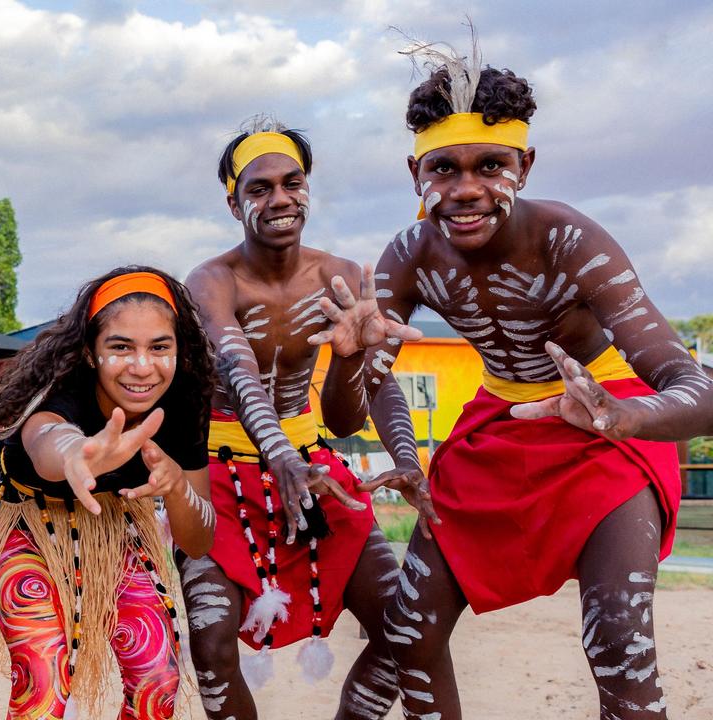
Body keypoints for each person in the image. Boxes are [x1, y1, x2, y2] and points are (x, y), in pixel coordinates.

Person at [350, 39, 709, 720]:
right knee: (409, 634)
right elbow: (358, 399)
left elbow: (696, 388)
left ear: (526, 164)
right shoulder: (409, 256)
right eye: (442, 168)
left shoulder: (571, 243)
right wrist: (359, 383)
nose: (465, 190)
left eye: (491, 165)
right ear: (413, 172)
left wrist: (620, 418)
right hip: (500, 425)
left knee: (620, 648)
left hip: (607, 424)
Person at [181, 118, 423, 720]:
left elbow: (344, 415)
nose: (280, 199)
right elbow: (236, 373)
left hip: (312, 468)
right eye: (259, 188)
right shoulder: (210, 281)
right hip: (219, 473)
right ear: (233, 201)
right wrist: (277, 455)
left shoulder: (340, 274)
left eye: (292, 183)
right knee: (212, 644)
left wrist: (352, 359)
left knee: (404, 625)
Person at [0, 266, 216, 719]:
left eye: (159, 347)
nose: (142, 367)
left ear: (179, 350)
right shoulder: (62, 387)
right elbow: (47, 439)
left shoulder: (183, 401)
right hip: (25, 525)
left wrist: (178, 487)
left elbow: (198, 541)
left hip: (114, 526)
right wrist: (75, 455)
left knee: (156, 679)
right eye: (120, 347)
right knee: (43, 677)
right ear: (89, 353)